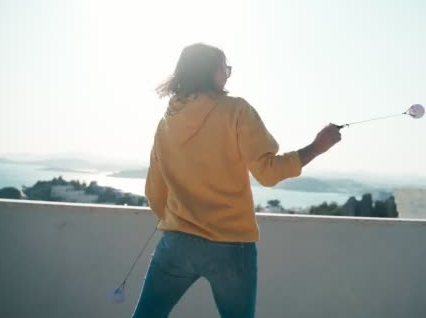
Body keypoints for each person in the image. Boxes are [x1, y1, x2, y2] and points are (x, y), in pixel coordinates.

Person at [132, 43, 342, 318]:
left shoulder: (167, 122)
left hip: (177, 242)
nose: (228, 74)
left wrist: (179, 224)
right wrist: (317, 147)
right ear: (211, 71)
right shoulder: (236, 111)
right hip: (230, 246)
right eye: (225, 67)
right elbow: (268, 172)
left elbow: (155, 191)